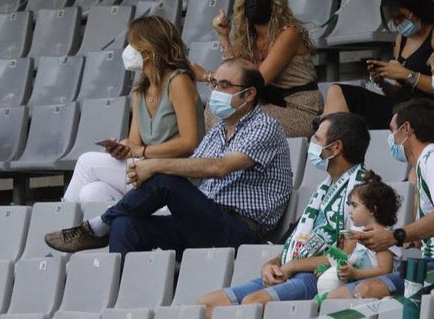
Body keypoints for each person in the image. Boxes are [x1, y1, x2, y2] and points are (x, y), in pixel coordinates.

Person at [45, 60, 292, 256]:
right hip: (203, 221)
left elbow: (220, 167)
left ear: (249, 95)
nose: (216, 91)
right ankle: (122, 295)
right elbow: (191, 168)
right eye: (215, 84)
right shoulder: (218, 130)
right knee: (126, 225)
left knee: (163, 179)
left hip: (240, 231)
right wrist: (143, 167)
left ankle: (97, 226)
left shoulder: (264, 126)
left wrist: (154, 165)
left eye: (225, 86)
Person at [197, 112, 369, 317]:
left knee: (251, 305)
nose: (312, 143)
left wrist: (293, 266)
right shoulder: (324, 187)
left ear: (336, 147)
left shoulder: (363, 190)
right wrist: (272, 264)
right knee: (207, 305)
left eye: (317, 139)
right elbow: (299, 242)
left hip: (317, 277)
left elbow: (347, 255)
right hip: (293, 271)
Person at [331, 99, 434, 299]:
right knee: (335, 295)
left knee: (362, 292)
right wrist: (411, 239)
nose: (391, 139)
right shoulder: (427, 162)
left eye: (392, 131)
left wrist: (395, 236)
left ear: (405, 129)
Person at [63, 15, 201, 204]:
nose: (128, 50)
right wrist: (122, 149)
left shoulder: (179, 81)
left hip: (176, 175)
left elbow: (189, 143)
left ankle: (61, 221)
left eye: (132, 44)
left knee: (87, 162)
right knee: (91, 192)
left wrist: (141, 151)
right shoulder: (140, 90)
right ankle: (105, 224)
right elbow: (134, 144)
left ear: (149, 49)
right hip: (147, 169)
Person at [323, 0, 434, 129]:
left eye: (401, 17)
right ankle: (326, 138)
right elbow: (399, 90)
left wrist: (408, 75)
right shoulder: (401, 38)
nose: (398, 23)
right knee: (337, 92)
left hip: (428, 110)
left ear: (416, 7)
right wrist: (383, 83)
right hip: (400, 107)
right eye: (393, 19)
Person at [200, 0, 322, 137]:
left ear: (275, 2)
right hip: (266, 106)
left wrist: (206, 76)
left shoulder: (289, 34)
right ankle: (220, 150)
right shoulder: (247, 37)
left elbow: (256, 81)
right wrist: (223, 35)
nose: (256, 0)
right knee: (213, 108)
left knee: (239, 118)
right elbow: (234, 74)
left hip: (299, 108)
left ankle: (226, 151)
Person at [314, 175, 399, 300]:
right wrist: (332, 271)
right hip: (357, 288)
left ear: (372, 209)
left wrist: (356, 274)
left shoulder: (382, 238)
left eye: (354, 205)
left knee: (326, 300)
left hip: (373, 296)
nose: (350, 211)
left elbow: (385, 270)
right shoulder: (361, 237)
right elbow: (352, 266)